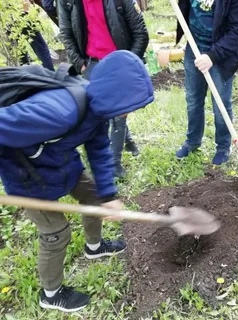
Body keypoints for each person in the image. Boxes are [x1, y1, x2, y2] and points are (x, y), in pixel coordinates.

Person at [0, 50, 154, 312]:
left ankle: (94, 247)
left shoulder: (96, 111)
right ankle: (51, 294)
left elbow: (99, 150)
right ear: (114, 96)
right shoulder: (58, 112)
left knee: (94, 198)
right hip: (27, 179)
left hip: (61, 164)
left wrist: (108, 195)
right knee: (56, 233)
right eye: (130, 106)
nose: (130, 113)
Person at [58, 0, 150, 178]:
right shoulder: (66, 2)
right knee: (102, 113)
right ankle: (128, 141)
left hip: (118, 62)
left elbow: (141, 32)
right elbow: (66, 33)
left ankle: (113, 164)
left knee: (119, 114)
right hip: (91, 64)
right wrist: (80, 64)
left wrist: (127, 64)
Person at [174, 0, 238, 165]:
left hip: (221, 55)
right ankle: (192, 142)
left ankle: (223, 147)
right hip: (194, 46)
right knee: (193, 99)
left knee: (221, 105)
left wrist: (212, 56)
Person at [15, 0, 55, 71]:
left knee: (20, 53)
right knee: (40, 48)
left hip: (9, 18)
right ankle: (50, 74)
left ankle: (26, 78)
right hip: (23, 12)